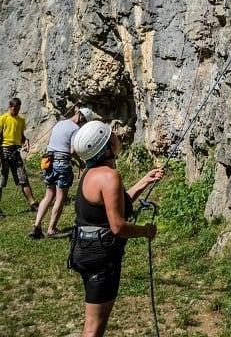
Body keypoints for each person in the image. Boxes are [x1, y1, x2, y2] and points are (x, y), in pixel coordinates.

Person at [69, 120, 164, 337]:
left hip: (85, 251)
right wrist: (145, 231)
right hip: (101, 257)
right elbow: (118, 226)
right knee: (94, 327)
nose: (117, 136)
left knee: (94, 322)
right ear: (106, 148)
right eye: (111, 135)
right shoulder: (109, 176)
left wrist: (144, 181)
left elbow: (116, 204)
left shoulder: (90, 172)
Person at [29, 105, 95, 239]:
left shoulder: (59, 123)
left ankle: (36, 226)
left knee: (49, 195)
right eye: (84, 123)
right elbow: (72, 151)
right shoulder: (75, 129)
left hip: (49, 161)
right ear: (82, 118)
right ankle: (51, 230)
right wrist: (80, 162)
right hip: (62, 163)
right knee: (60, 197)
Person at [0, 97, 38, 216]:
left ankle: (33, 204)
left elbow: (21, 135)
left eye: (18, 109)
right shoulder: (3, 119)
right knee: (1, 181)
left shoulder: (21, 119)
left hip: (16, 150)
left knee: (23, 178)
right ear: (9, 107)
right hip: (4, 149)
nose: (16, 111)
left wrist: (25, 142)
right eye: (14, 109)